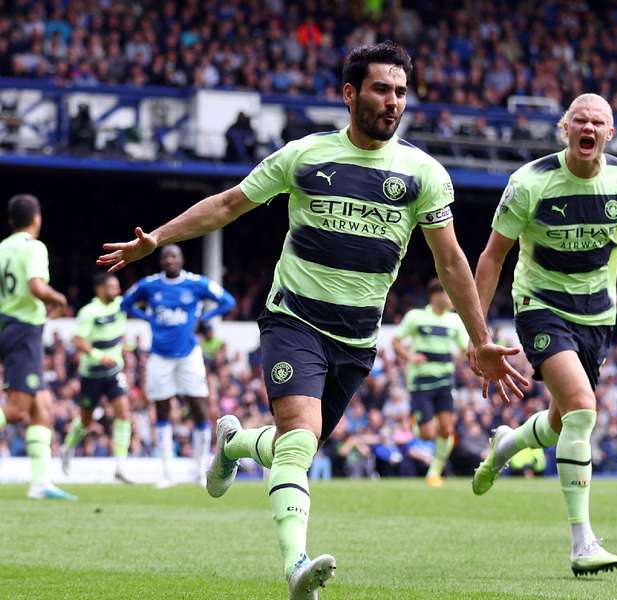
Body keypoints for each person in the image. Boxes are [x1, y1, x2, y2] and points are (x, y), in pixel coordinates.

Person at [97, 41, 527, 600]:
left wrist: (481, 339)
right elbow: (228, 204)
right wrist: (157, 238)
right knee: (299, 440)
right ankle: (296, 566)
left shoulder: (423, 173)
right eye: (381, 89)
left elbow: (450, 260)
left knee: (291, 446)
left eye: (401, 91)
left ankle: (233, 444)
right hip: (293, 321)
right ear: (350, 94)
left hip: (357, 340)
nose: (393, 101)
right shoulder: (305, 156)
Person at [470, 93, 617, 576]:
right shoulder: (529, 182)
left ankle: (507, 445)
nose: (589, 127)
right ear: (565, 128)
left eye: (598, 121)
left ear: (610, 133)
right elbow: (493, 256)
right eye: (579, 119)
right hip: (540, 306)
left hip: (597, 315)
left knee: (562, 425)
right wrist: (477, 336)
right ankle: (583, 542)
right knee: (582, 409)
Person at [120, 244, 235, 488]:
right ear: (161, 261)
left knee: (199, 409)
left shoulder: (196, 284)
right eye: (166, 256)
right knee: (162, 410)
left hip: (189, 356)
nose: (170, 260)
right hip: (159, 357)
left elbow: (227, 301)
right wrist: (146, 317)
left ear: (182, 260)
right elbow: (125, 303)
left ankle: (199, 471)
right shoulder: (149, 285)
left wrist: (202, 319)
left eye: (174, 256)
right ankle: (165, 472)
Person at [0, 194, 74, 500]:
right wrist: (59, 299)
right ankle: (40, 483)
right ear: (37, 218)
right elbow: (36, 286)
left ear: (10, 220)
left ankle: (40, 483)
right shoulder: (33, 247)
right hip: (24, 330)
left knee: (42, 407)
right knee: (17, 409)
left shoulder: (3, 247)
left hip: (9, 325)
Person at [392, 278, 468, 487]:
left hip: (445, 381)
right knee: (427, 434)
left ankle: (434, 473)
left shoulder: (455, 321)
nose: (453, 299)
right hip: (420, 382)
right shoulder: (416, 317)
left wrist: (470, 358)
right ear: (435, 295)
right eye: (448, 293)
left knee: (446, 429)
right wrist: (409, 356)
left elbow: (464, 349)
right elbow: (396, 341)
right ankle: (415, 425)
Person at [61, 272, 133, 483]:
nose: (116, 290)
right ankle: (68, 448)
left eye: (118, 286)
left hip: (114, 372)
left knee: (123, 413)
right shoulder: (89, 312)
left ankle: (121, 465)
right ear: (100, 289)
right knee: (85, 420)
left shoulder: (121, 304)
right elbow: (77, 340)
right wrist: (98, 356)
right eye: (112, 287)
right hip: (91, 374)